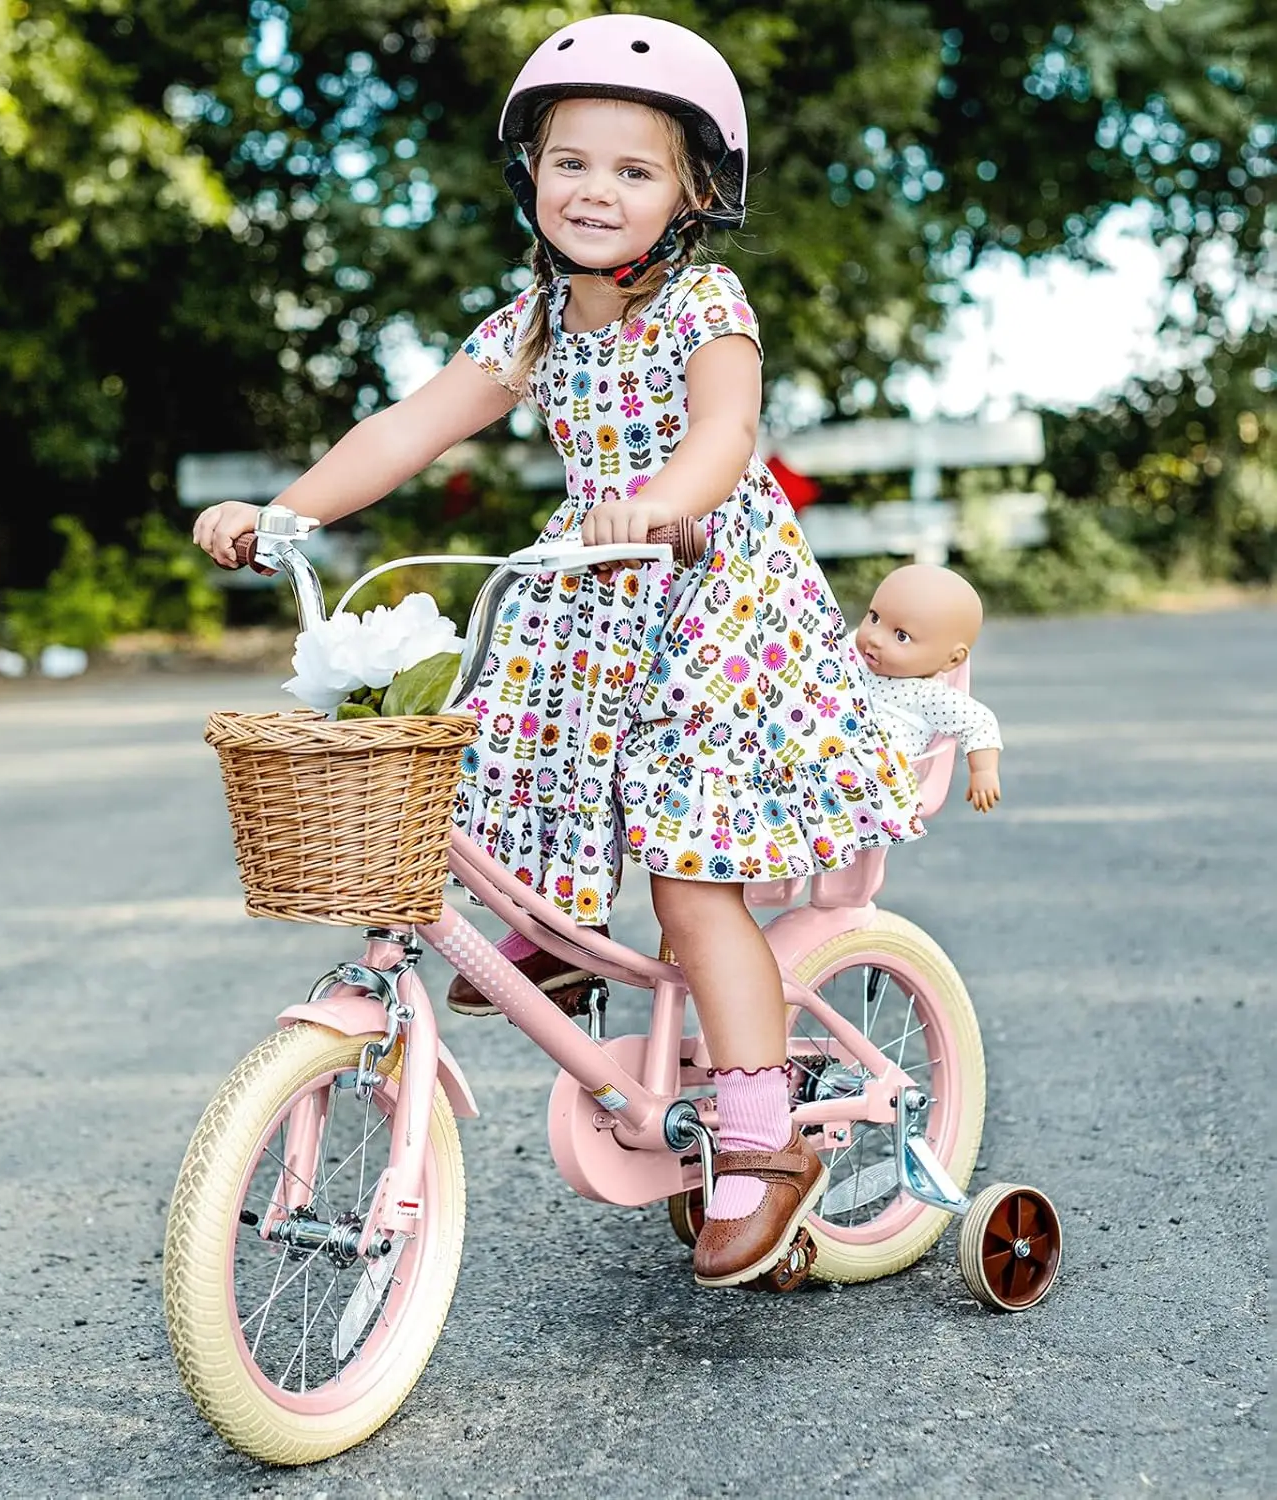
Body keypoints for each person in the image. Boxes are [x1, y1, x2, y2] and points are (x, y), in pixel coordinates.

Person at [193, 13, 924, 1289]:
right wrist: (288, 512)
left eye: (635, 171)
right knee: (509, 741)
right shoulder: (532, 318)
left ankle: (760, 1133)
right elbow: (411, 423)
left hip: (712, 593)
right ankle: (557, 925)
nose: (597, 190)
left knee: (696, 869)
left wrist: (667, 498)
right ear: (530, 174)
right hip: (590, 583)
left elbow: (724, 432)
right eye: (570, 161)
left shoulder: (707, 300)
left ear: (693, 193)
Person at [852, 564, 1003, 813]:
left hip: (877, 788)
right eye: (874, 617)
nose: (875, 638)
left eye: (901, 636)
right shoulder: (855, 652)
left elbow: (979, 722)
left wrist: (983, 771)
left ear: (952, 660)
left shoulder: (927, 695)